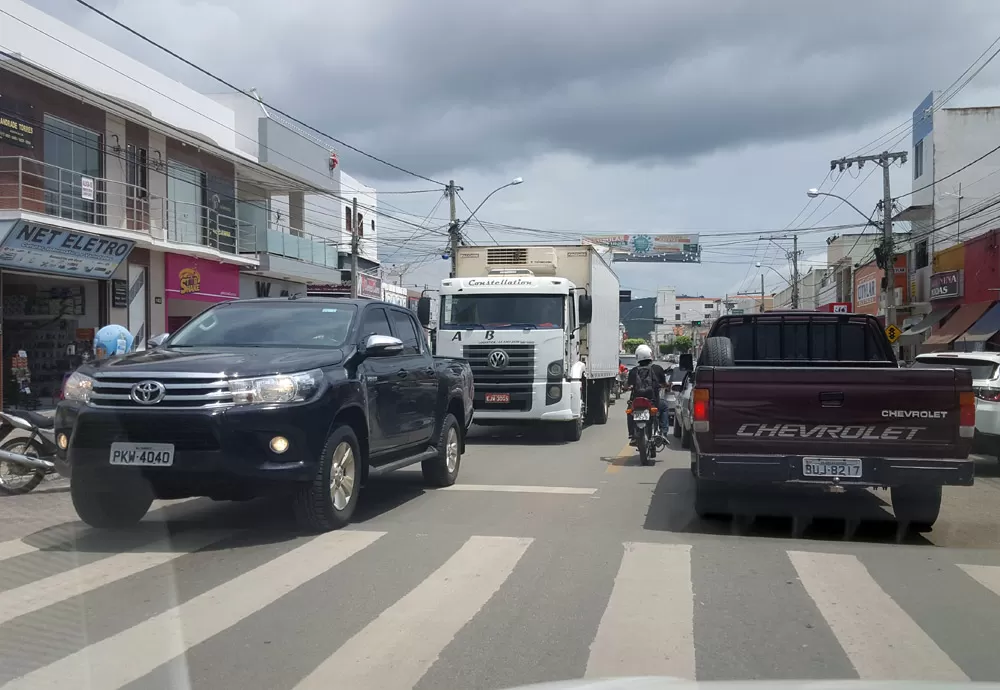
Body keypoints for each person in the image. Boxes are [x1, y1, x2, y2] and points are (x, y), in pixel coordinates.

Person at [625, 344, 667, 444]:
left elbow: (627, 385)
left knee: (630, 412)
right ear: (650, 355)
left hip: (637, 401)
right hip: (653, 400)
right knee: (664, 407)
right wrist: (667, 386)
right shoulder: (657, 368)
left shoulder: (634, 371)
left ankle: (632, 434)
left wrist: (626, 387)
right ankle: (663, 433)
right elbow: (664, 383)